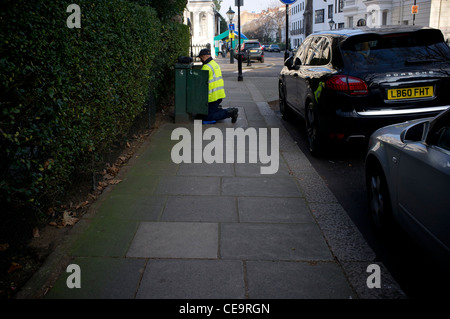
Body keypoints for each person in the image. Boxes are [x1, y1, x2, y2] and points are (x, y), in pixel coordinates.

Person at [198, 48, 238, 123]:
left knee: (207, 117)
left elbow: (200, 82)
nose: (201, 59)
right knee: (208, 112)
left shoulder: (206, 67)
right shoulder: (214, 64)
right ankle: (222, 110)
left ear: (204, 56)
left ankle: (230, 113)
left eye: (201, 58)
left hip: (212, 97)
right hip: (219, 94)